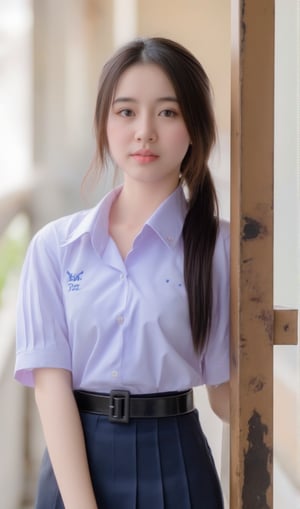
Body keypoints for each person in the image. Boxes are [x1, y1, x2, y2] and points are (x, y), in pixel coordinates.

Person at [15, 37, 230, 509]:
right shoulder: (56, 247)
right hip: (76, 461)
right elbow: (51, 389)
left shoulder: (223, 248)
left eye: (168, 113)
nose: (145, 132)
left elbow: (228, 395)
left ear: (195, 125)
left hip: (177, 462)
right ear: (104, 124)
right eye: (126, 112)